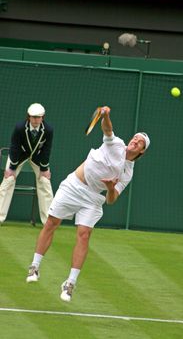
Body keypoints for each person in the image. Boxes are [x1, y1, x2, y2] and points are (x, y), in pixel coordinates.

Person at [26, 106, 150, 302]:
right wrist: (106, 114)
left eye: (140, 142)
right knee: (51, 223)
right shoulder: (116, 144)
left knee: (84, 235)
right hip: (73, 185)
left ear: (142, 151)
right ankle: (35, 266)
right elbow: (107, 129)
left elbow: (111, 200)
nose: (135, 141)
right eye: (134, 138)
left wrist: (110, 188)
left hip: (93, 198)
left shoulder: (128, 173)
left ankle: (70, 284)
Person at [0, 103, 54, 225]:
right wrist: (12, 168)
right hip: (19, 156)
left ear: (42, 117)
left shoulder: (48, 130)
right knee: (8, 180)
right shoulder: (19, 127)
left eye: (38, 117)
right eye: (33, 117)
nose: (36, 120)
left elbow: (47, 149)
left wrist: (44, 168)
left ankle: (48, 222)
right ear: (28, 117)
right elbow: (14, 147)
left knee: (45, 182)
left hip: (38, 157)